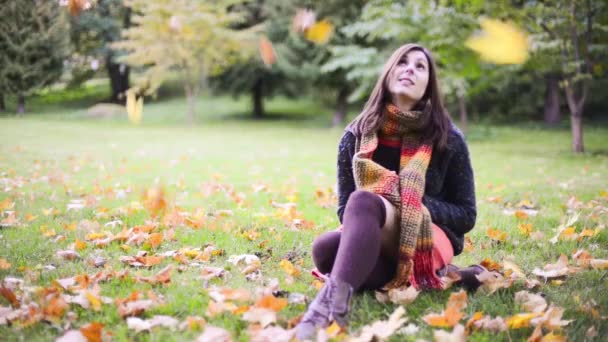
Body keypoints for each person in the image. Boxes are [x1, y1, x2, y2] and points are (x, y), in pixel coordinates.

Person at [295, 43, 484, 340]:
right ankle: (443, 276)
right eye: (402, 63)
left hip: (429, 234)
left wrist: (411, 201)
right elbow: (346, 212)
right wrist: (390, 200)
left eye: (420, 66)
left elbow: (466, 215)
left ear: (428, 86)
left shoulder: (448, 139)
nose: (409, 68)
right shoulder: (355, 136)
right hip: (378, 230)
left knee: (364, 200)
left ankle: (328, 308)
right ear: (388, 74)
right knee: (324, 250)